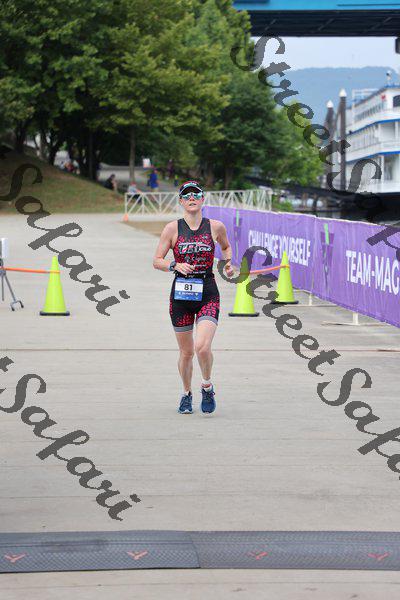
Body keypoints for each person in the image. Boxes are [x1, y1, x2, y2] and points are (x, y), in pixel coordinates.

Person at [153, 180, 234, 415]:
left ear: (202, 199)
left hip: (207, 291)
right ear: (180, 201)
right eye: (186, 195)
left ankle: (207, 386)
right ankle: (186, 393)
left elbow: (226, 247)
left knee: (202, 347)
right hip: (181, 296)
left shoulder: (215, 226)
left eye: (196, 194)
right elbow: (156, 260)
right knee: (187, 352)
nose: (191, 198)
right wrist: (174, 265)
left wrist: (228, 263)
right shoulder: (172, 229)